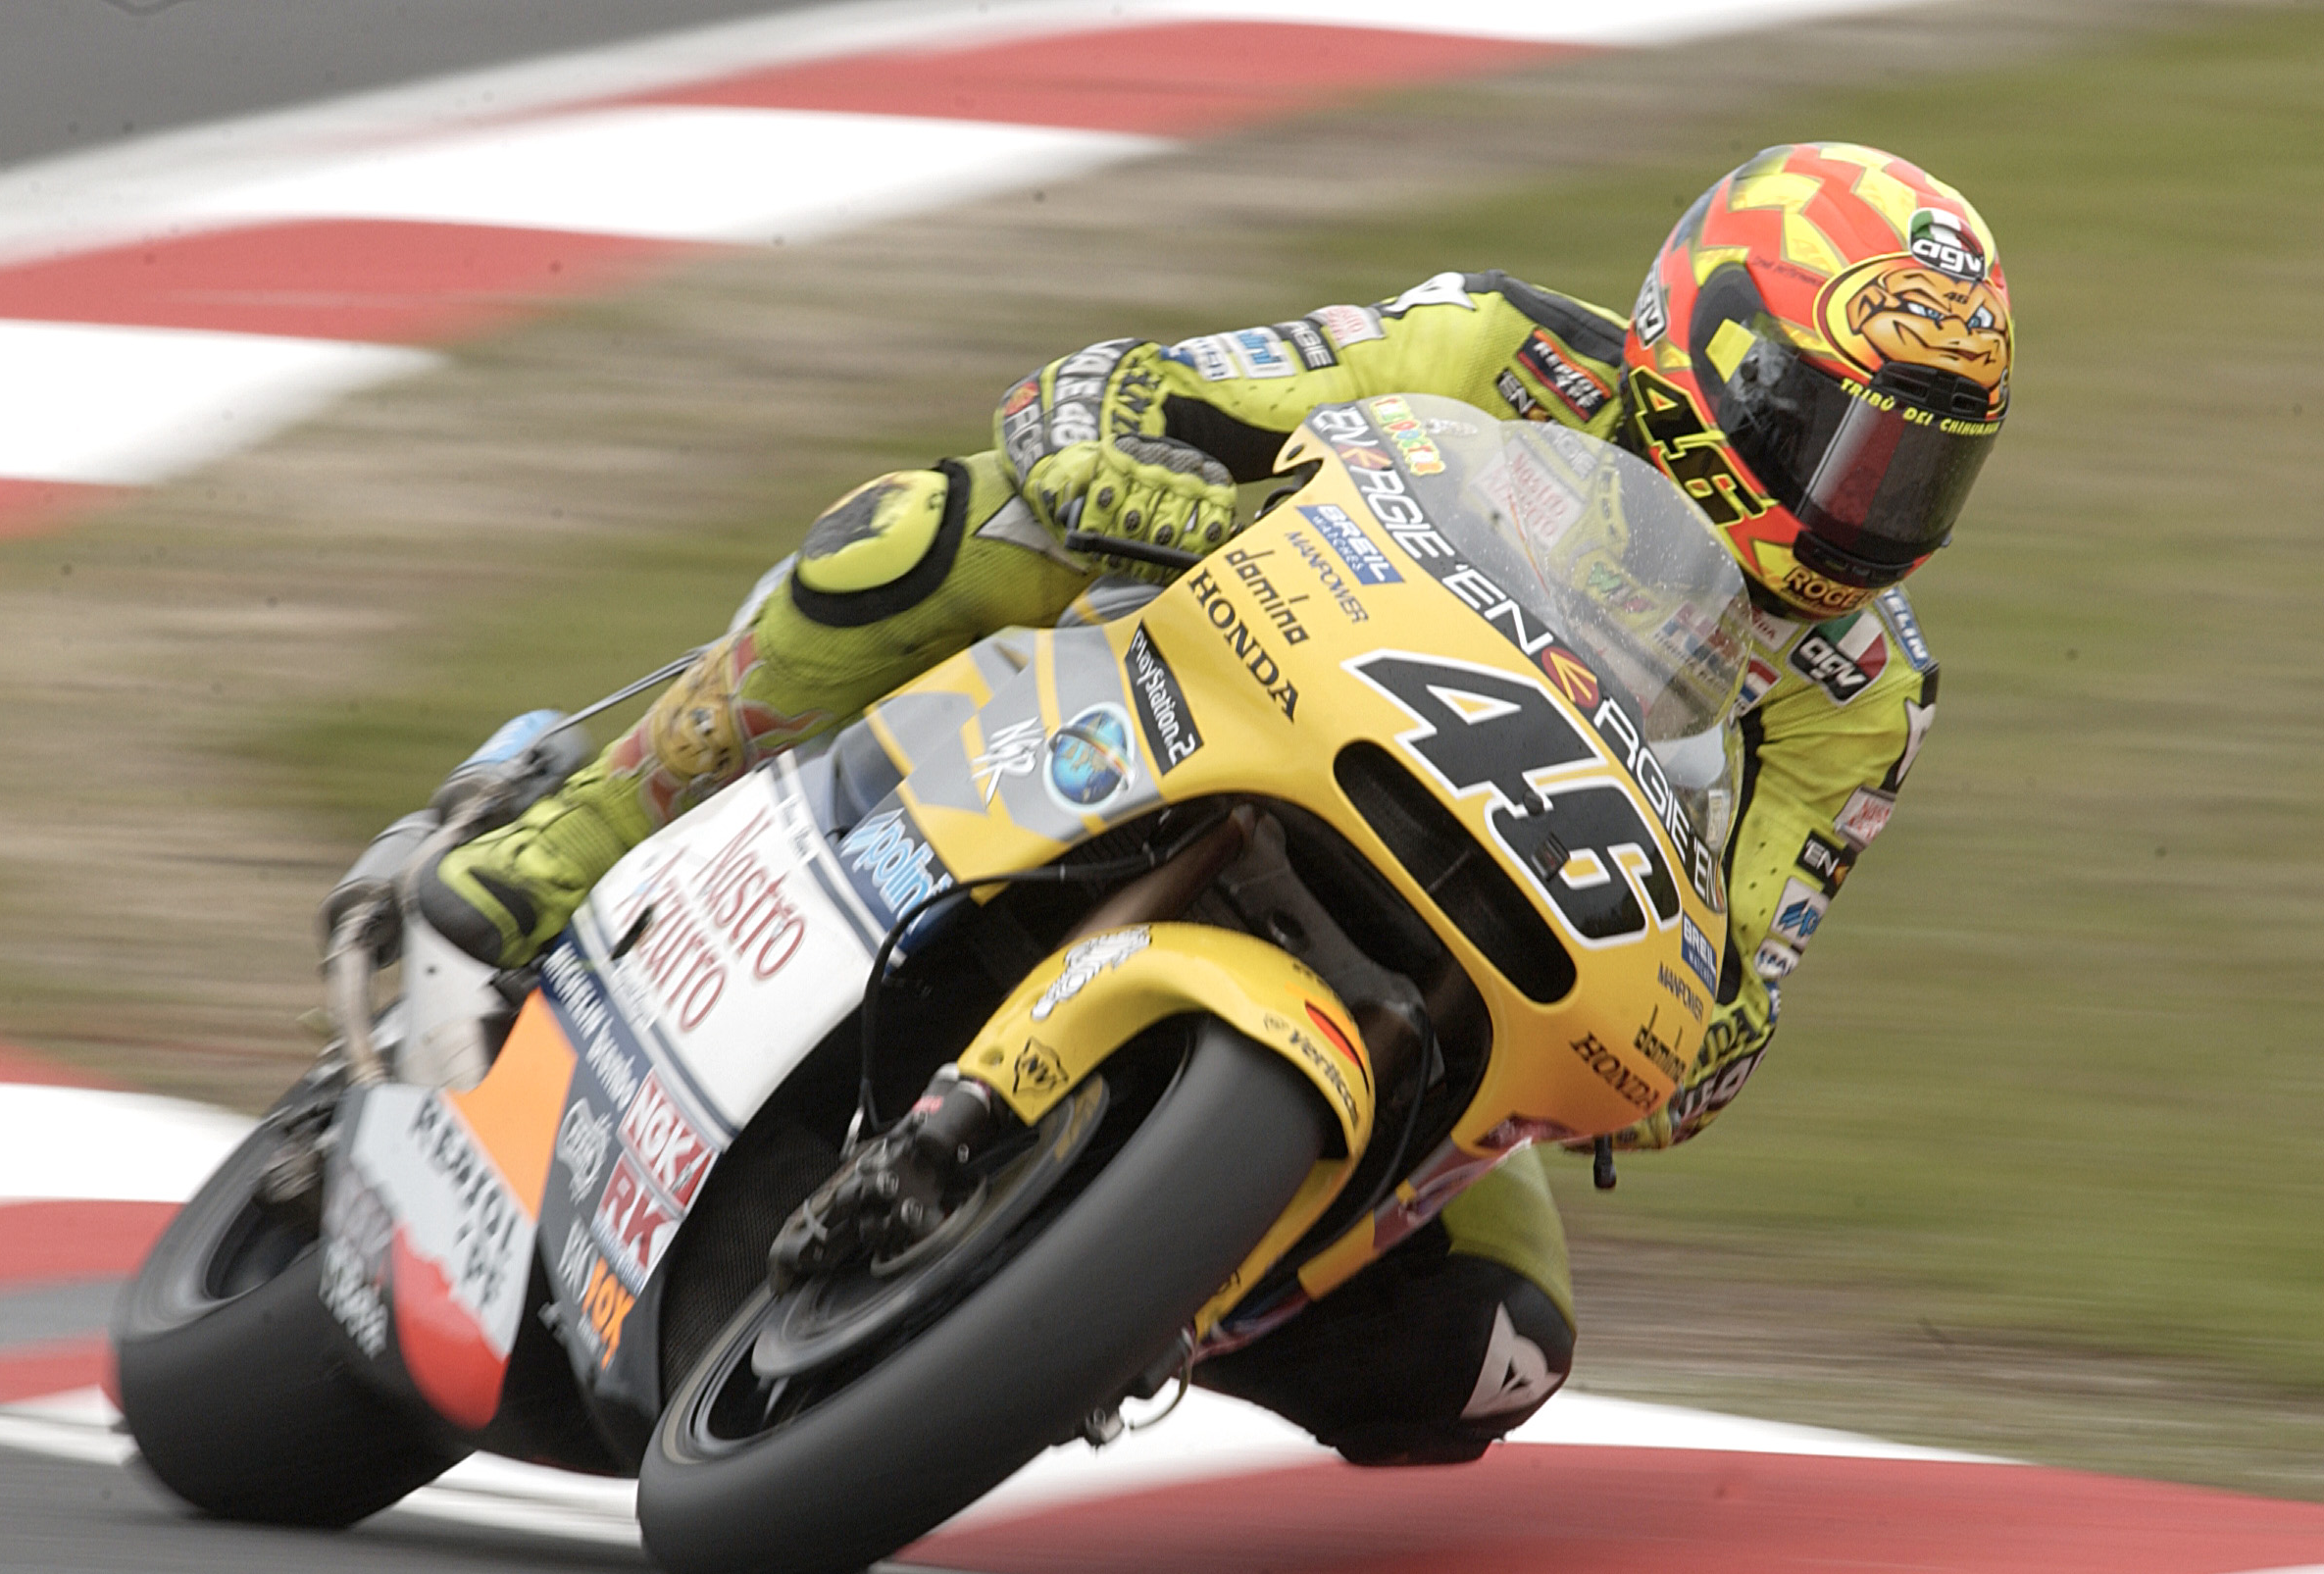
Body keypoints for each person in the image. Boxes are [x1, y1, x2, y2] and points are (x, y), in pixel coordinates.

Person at [418, 143, 2012, 1465]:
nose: (1865, 509)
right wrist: (1144, 478)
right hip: (1227, 702)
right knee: (932, 530)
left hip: (1470, 953)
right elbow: (1127, 394)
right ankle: (571, 842)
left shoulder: (1865, 691)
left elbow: (1744, 984)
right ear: (1712, 353)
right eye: (1846, 443)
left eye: (1918, 477)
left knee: (1495, 1357)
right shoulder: (1502, 351)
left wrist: (1692, 1041)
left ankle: (1088, 1311)